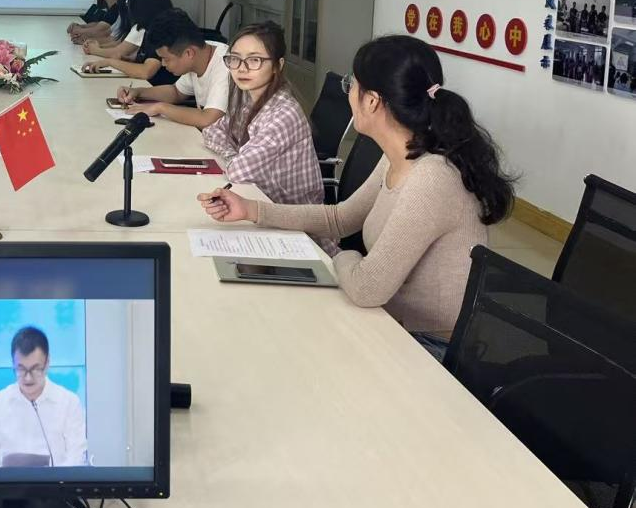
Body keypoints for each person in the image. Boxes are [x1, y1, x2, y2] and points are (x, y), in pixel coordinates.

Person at [198, 35, 515, 354]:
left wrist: (344, 257)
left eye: (351, 84)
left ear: (372, 101)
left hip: (427, 347)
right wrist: (251, 210)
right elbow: (341, 218)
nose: (349, 93)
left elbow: (366, 288)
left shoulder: (431, 178)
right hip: (388, 320)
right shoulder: (403, 153)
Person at [200, 22, 323, 204]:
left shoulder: (284, 114)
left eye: (254, 60)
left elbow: (237, 172)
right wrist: (234, 156)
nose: (242, 68)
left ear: (277, 65)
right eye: (235, 58)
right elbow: (211, 131)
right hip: (259, 199)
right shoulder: (248, 99)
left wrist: (234, 159)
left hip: (291, 215)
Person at [0, 326, 87, 468]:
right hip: (7, 483)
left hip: (57, 482)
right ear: (13, 364)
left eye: (35, 369)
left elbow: (76, 457)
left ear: (47, 363)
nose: (28, 378)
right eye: (21, 369)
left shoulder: (69, 403)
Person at [116, 8, 230, 129]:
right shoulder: (199, 53)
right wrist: (138, 92)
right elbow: (176, 92)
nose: (163, 64)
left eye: (166, 59)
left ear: (189, 53)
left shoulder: (226, 64)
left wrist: (160, 108)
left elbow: (208, 119)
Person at [81, 0, 178, 86]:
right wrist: (128, 60)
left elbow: (146, 71)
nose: (128, 8)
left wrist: (111, 62)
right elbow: (147, 59)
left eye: (129, 3)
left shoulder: (164, 29)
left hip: (157, 89)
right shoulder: (149, 26)